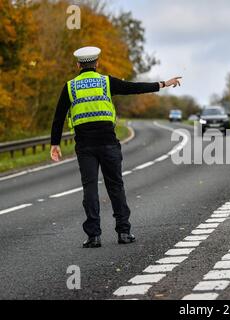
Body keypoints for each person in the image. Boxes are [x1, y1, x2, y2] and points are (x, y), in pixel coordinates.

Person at [50, 46, 181, 248]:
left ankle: (93, 236)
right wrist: (163, 84)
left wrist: (55, 143)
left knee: (90, 188)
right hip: (108, 143)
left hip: (85, 146)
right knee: (115, 187)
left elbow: (58, 117)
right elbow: (134, 88)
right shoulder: (106, 82)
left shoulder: (70, 87)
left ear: (77, 65)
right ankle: (124, 232)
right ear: (97, 64)